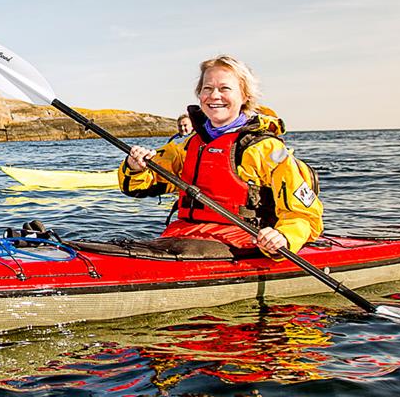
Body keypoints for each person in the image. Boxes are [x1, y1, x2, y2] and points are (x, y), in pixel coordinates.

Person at [117, 54, 322, 259]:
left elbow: (304, 215)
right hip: (181, 236)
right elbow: (143, 185)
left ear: (244, 96)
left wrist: (284, 236)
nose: (214, 95)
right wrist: (135, 167)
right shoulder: (187, 145)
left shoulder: (269, 149)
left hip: (241, 240)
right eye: (207, 88)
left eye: (225, 88)